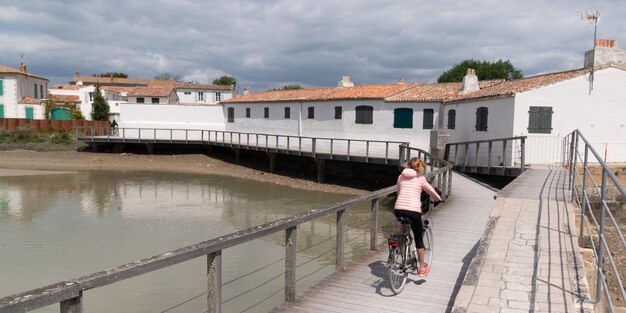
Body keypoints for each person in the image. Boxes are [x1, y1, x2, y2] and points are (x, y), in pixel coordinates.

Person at [394, 157, 442, 277]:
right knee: (418, 240)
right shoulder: (420, 179)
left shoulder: (400, 177)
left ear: (409, 165)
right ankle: (422, 268)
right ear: (420, 168)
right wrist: (439, 199)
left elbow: (399, 192)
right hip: (413, 211)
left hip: (399, 209)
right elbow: (431, 191)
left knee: (401, 226)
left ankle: (399, 248)